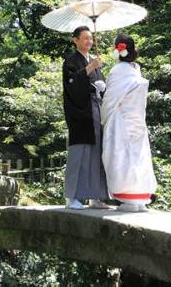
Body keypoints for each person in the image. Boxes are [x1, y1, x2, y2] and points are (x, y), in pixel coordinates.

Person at [100, 34, 157, 212]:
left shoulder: (118, 71)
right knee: (138, 156)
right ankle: (140, 198)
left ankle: (128, 198)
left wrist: (102, 92)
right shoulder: (135, 69)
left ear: (117, 51)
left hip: (121, 119)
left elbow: (110, 100)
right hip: (137, 118)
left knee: (120, 157)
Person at [62, 26, 109, 209]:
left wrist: (102, 86)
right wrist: (91, 67)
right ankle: (71, 196)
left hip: (96, 109)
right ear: (75, 40)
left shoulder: (93, 60)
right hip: (80, 113)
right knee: (79, 153)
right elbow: (71, 84)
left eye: (91, 38)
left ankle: (95, 196)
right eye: (85, 38)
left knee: (97, 152)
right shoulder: (71, 61)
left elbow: (101, 85)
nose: (89, 41)